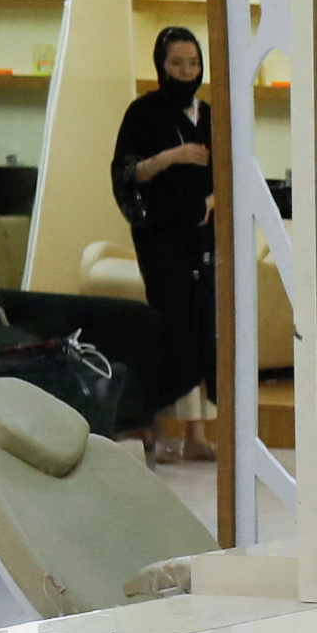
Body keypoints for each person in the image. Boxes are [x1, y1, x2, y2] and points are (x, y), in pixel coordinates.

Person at [114, 26, 219, 429]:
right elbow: (128, 172)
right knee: (170, 324)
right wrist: (173, 156)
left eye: (193, 63)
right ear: (161, 65)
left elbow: (229, 169)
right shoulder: (143, 112)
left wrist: (211, 203)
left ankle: (197, 433)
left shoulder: (208, 113)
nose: (186, 71)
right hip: (161, 238)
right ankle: (157, 428)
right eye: (176, 63)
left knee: (202, 326)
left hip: (203, 235)